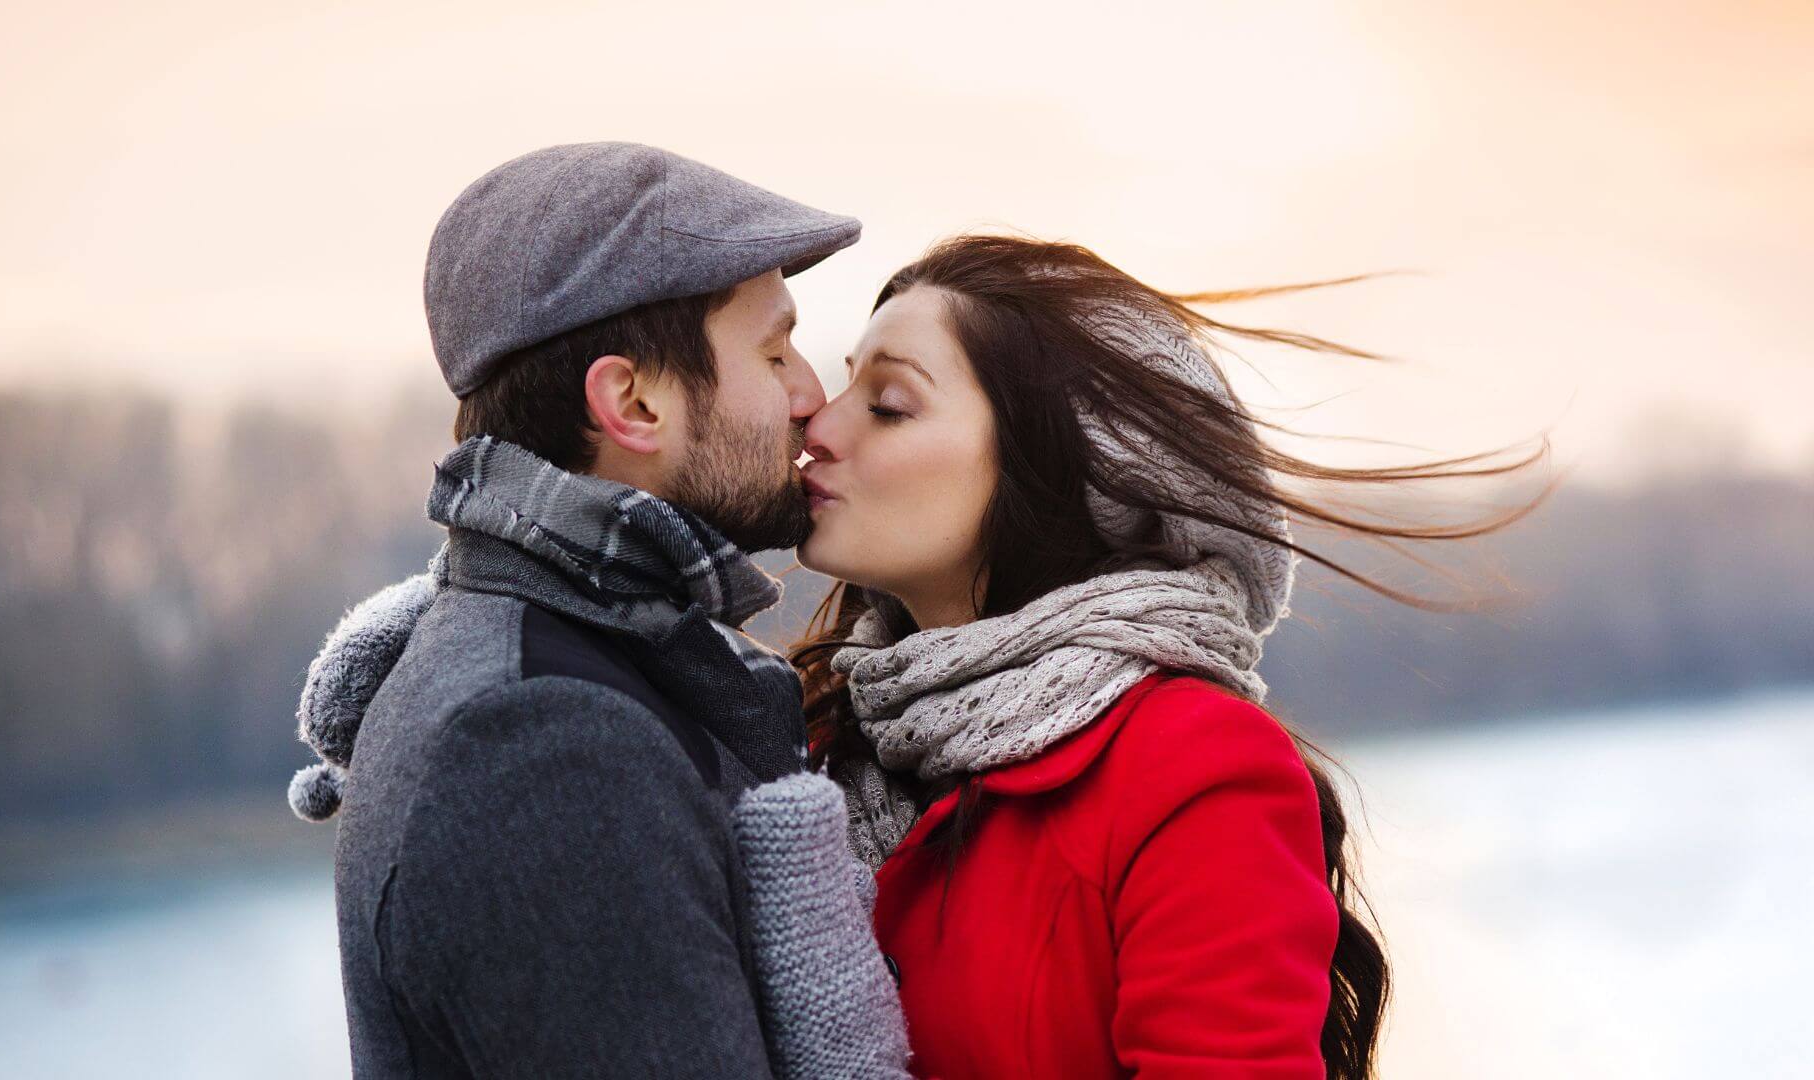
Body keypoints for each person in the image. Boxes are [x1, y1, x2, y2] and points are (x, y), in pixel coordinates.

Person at [790, 234, 1544, 1078]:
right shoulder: (812, 747)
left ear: (1058, 468)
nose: (818, 424)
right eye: (846, 381)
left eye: (888, 403)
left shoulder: (1192, 766)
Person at [282, 141, 907, 1078]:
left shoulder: (581, 663)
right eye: (774, 350)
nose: (810, 394)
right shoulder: (545, 739)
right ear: (633, 402)